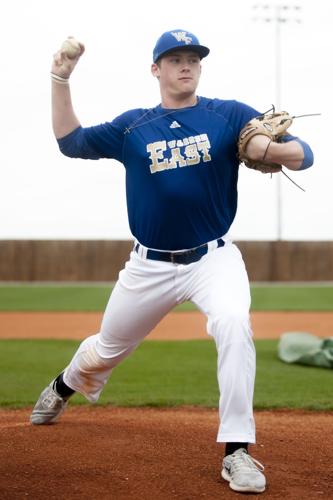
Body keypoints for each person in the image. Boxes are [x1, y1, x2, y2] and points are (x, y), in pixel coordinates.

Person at [30, 30, 314, 494]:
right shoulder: (133, 127)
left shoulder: (229, 115)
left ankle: (237, 450)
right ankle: (64, 385)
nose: (186, 65)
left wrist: (272, 150)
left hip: (213, 258)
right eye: (175, 59)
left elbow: (307, 154)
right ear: (155, 70)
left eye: (193, 59)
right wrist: (59, 79)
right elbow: (70, 142)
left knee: (233, 324)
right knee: (107, 348)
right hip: (149, 265)